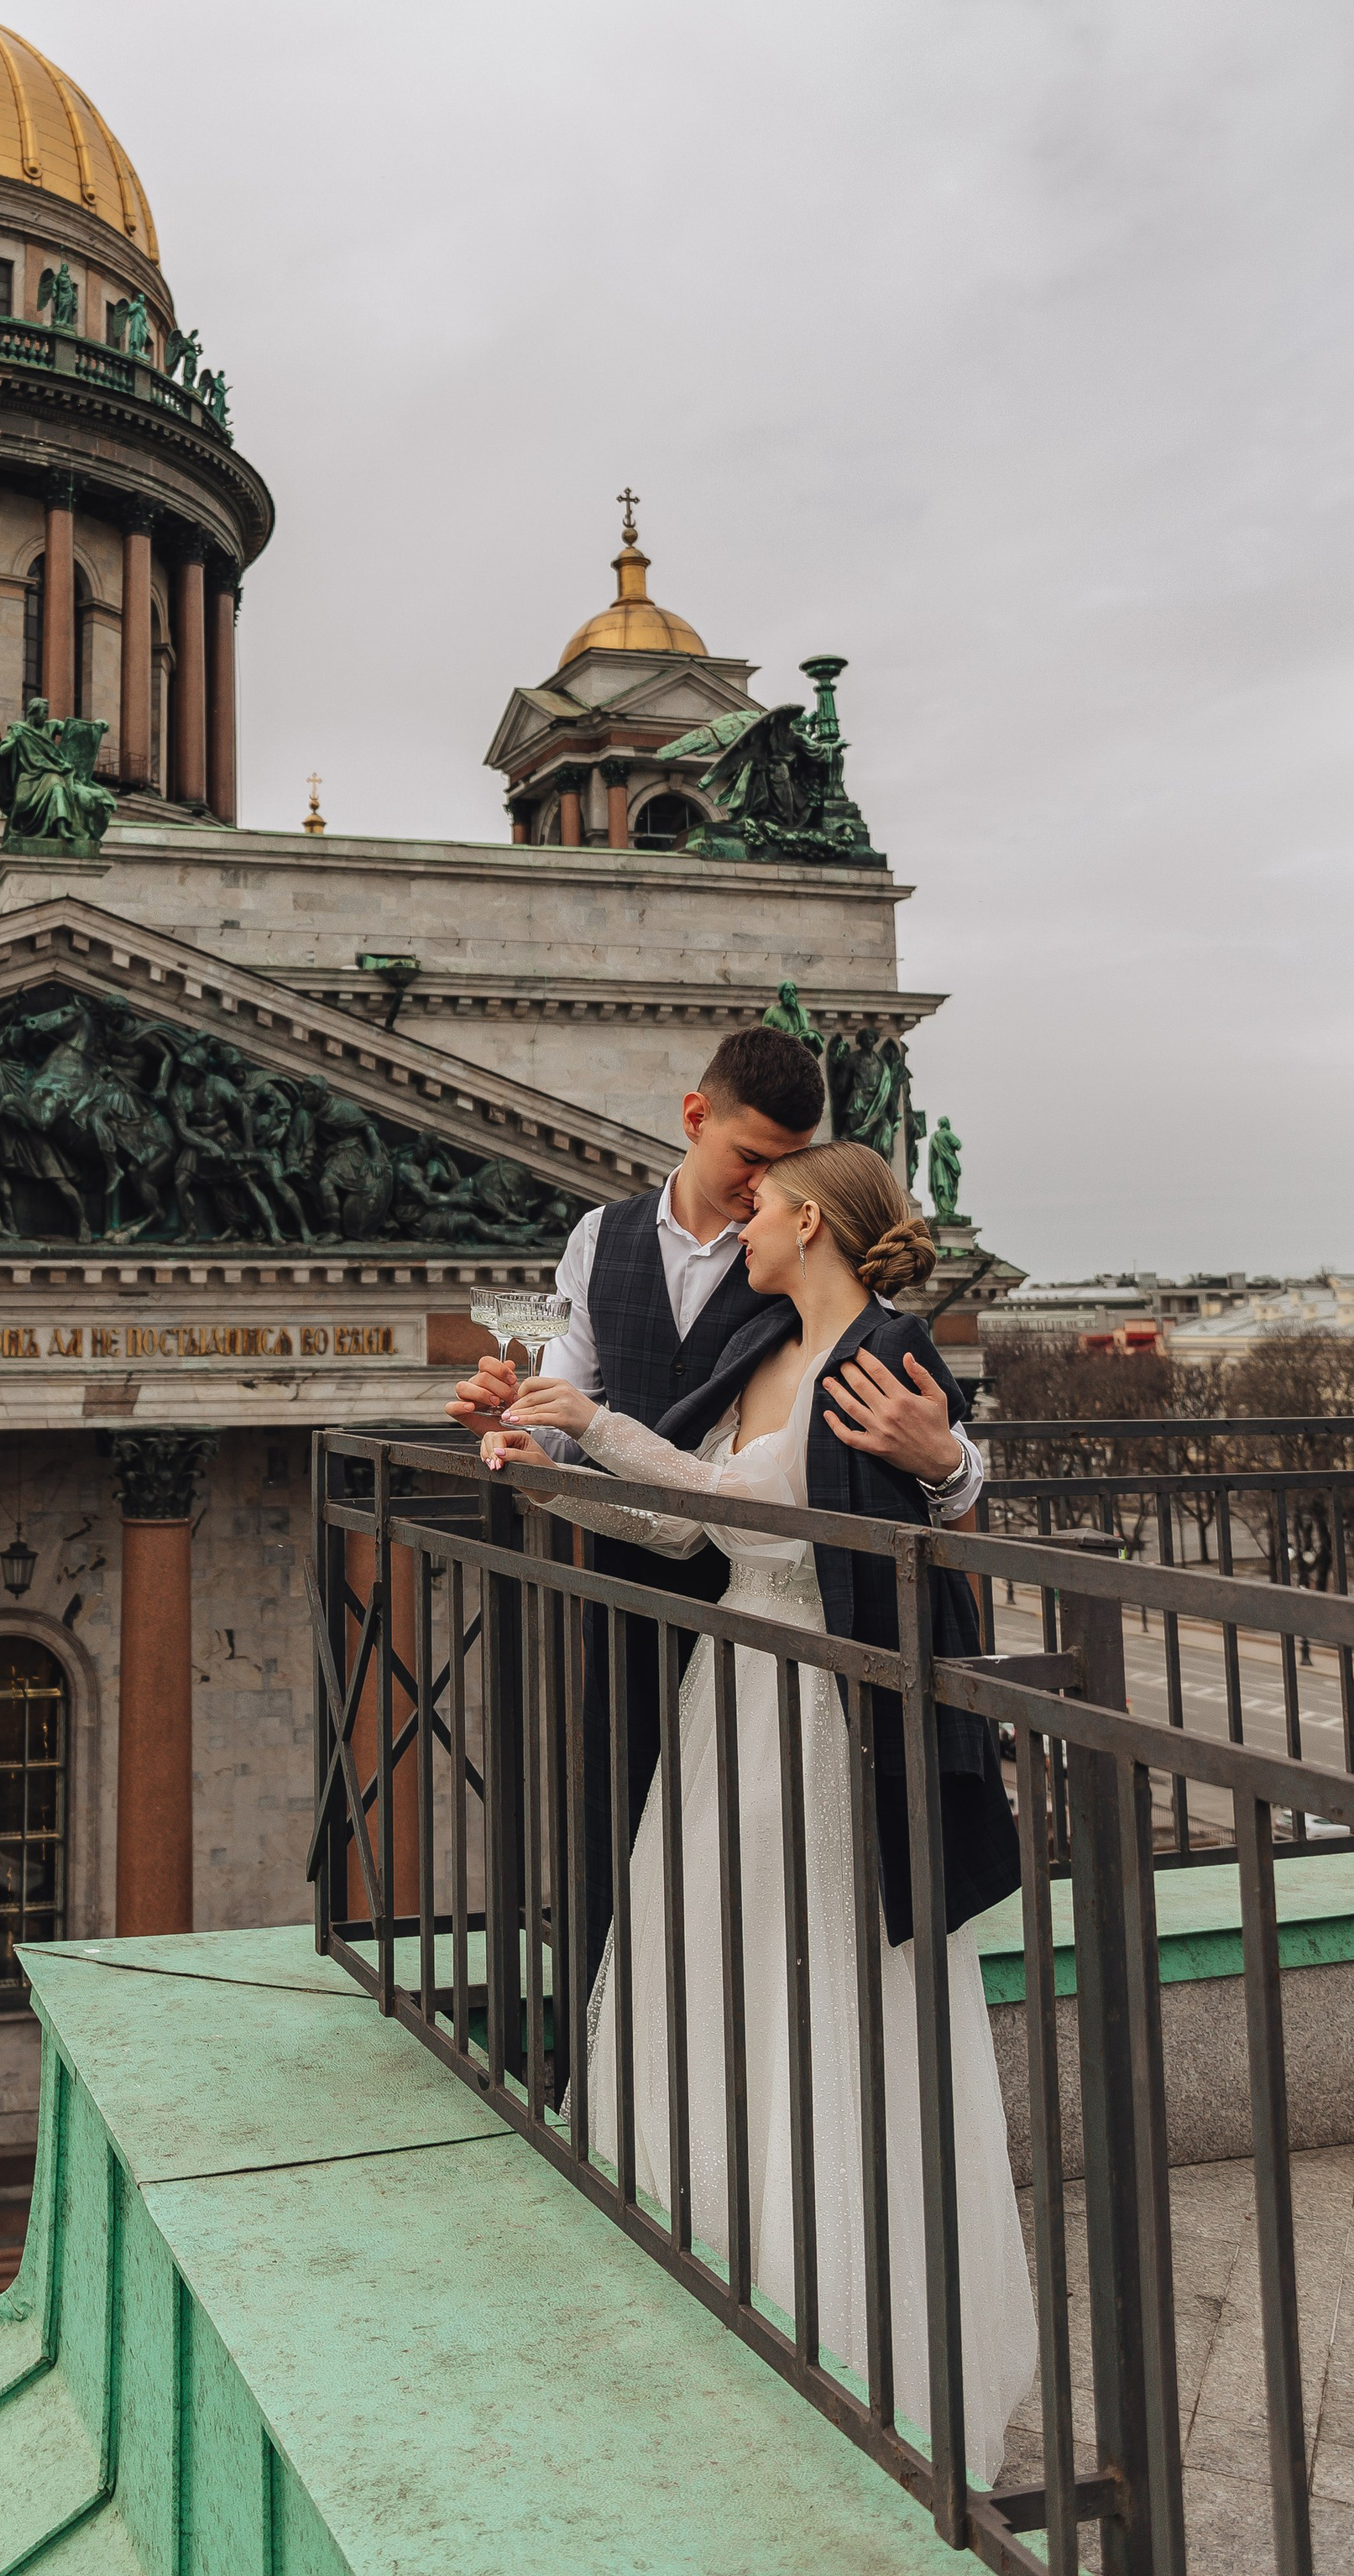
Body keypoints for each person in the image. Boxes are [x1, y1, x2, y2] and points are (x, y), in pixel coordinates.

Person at [478, 1142, 1035, 2485]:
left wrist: (949, 1458)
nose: (743, 1224)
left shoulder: (891, 1356)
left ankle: (855, 2333)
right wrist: (536, 1464)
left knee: (828, 1997)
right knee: (716, 1976)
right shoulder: (767, 1347)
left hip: (828, 1728)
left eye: (764, 1211)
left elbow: (861, 1503)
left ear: (810, 1221)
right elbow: (685, 1531)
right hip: (734, 1707)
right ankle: (718, 2282)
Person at [447, 1025, 985, 1961]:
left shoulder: (812, 1282)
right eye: (751, 1160)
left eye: (781, 1175)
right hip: (636, 1582)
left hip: (782, 1621)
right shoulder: (599, 1238)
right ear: (695, 1118)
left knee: (768, 1887)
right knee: (630, 1845)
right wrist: (516, 1431)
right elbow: (576, 1406)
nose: (757, 1192)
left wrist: (946, 1462)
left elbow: (925, 1455)